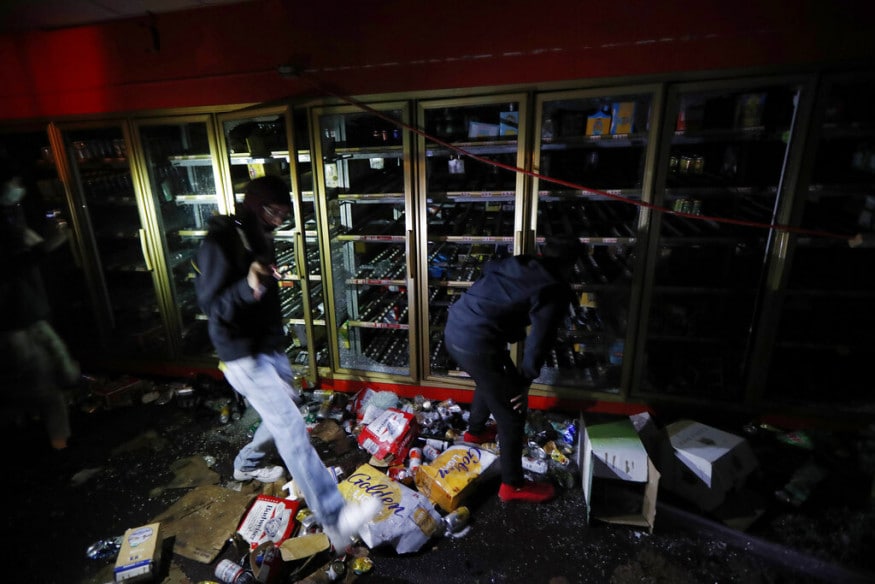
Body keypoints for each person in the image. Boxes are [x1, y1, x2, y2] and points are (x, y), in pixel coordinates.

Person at [194, 174, 379, 552]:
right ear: (254, 204)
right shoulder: (219, 242)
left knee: (286, 411)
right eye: (273, 212)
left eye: (283, 214)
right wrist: (247, 285)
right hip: (241, 354)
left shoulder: (257, 232)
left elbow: (261, 289)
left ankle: (247, 463)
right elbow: (213, 308)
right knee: (292, 428)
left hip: (267, 347)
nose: (278, 220)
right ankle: (335, 519)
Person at [444, 235, 583, 503]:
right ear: (571, 264)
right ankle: (512, 485)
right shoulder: (554, 286)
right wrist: (524, 381)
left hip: (456, 328)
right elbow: (540, 339)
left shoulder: (520, 262)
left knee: (491, 378)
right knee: (512, 413)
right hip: (478, 342)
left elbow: (488, 270)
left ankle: (475, 432)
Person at [0, 157, 80, 452]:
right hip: (13, 320)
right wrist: (47, 246)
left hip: (31, 313)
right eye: (15, 182)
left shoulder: (12, 217)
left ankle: (55, 437)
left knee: (62, 370)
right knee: (39, 382)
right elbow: (11, 266)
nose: (18, 187)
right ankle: (57, 444)